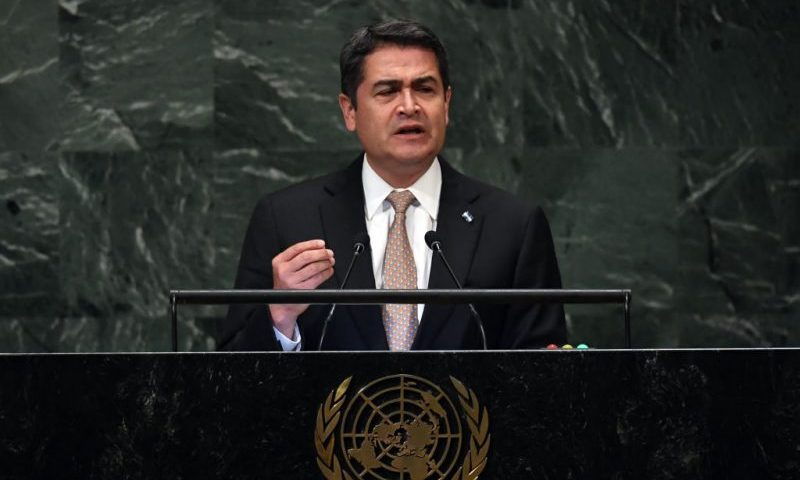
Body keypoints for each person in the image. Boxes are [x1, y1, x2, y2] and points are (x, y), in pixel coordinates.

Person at [220, 19, 566, 351]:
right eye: (387, 91)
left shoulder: (512, 226)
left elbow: (542, 374)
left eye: (424, 89)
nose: (409, 106)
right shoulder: (287, 219)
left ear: (446, 104)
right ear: (350, 111)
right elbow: (225, 379)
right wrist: (278, 316)